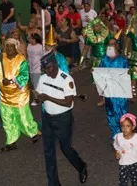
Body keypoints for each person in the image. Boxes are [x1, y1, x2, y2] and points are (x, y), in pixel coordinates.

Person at [34, 52, 88, 185]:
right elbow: (39, 96)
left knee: (66, 149)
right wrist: (37, 97)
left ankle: (81, 166)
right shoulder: (43, 78)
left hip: (63, 119)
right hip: (47, 119)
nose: (48, 71)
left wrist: (47, 97)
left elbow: (68, 102)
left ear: (56, 64)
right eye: (45, 69)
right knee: (48, 152)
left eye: (50, 68)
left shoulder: (66, 79)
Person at [0, 38, 40, 152]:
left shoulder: (21, 60)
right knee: (7, 119)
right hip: (4, 95)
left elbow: (24, 76)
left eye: (12, 46)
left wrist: (11, 81)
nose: (9, 49)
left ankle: (33, 132)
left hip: (19, 95)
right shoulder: (1, 57)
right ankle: (11, 142)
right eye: (7, 46)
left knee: (23, 117)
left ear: (16, 47)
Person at [96, 38, 129, 139]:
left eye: (113, 44)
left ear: (117, 46)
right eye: (109, 45)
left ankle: (124, 135)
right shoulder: (103, 59)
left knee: (122, 114)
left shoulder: (123, 60)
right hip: (108, 94)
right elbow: (100, 75)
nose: (111, 46)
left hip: (120, 94)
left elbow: (127, 76)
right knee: (110, 115)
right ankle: (116, 136)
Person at [80, 18, 112, 106]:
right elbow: (85, 49)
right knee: (98, 81)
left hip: (106, 59)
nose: (96, 28)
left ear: (101, 26)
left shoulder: (106, 34)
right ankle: (103, 97)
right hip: (95, 61)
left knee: (107, 79)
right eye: (94, 26)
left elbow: (112, 45)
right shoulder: (90, 37)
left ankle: (107, 97)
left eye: (97, 26)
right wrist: (81, 62)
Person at [113, 113, 137, 186]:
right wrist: (117, 153)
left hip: (135, 163)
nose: (124, 128)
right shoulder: (118, 137)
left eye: (128, 126)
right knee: (122, 182)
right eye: (122, 126)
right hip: (123, 163)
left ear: (133, 127)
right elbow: (116, 146)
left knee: (136, 181)